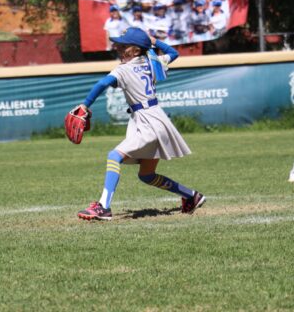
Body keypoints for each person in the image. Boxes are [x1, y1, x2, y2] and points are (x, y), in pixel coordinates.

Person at [76, 27, 206, 220]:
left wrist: (85, 105)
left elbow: (102, 84)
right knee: (147, 175)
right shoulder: (152, 62)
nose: (118, 47)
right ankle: (191, 196)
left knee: (114, 156)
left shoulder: (124, 69)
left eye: (123, 45)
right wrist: (155, 42)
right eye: (118, 44)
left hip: (146, 121)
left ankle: (103, 207)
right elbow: (174, 53)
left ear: (136, 50)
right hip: (157, 119)